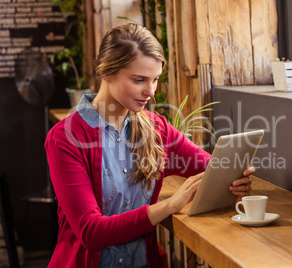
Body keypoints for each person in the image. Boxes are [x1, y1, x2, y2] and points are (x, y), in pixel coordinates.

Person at [45, 23, 254, 268]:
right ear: (107, 72)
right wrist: (168, 206)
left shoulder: (157, 129)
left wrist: (237, 179)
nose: (151, 91)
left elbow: (213, 167)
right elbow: (91, 232)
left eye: (155, 80)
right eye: (139, 80)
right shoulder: (65, 138)